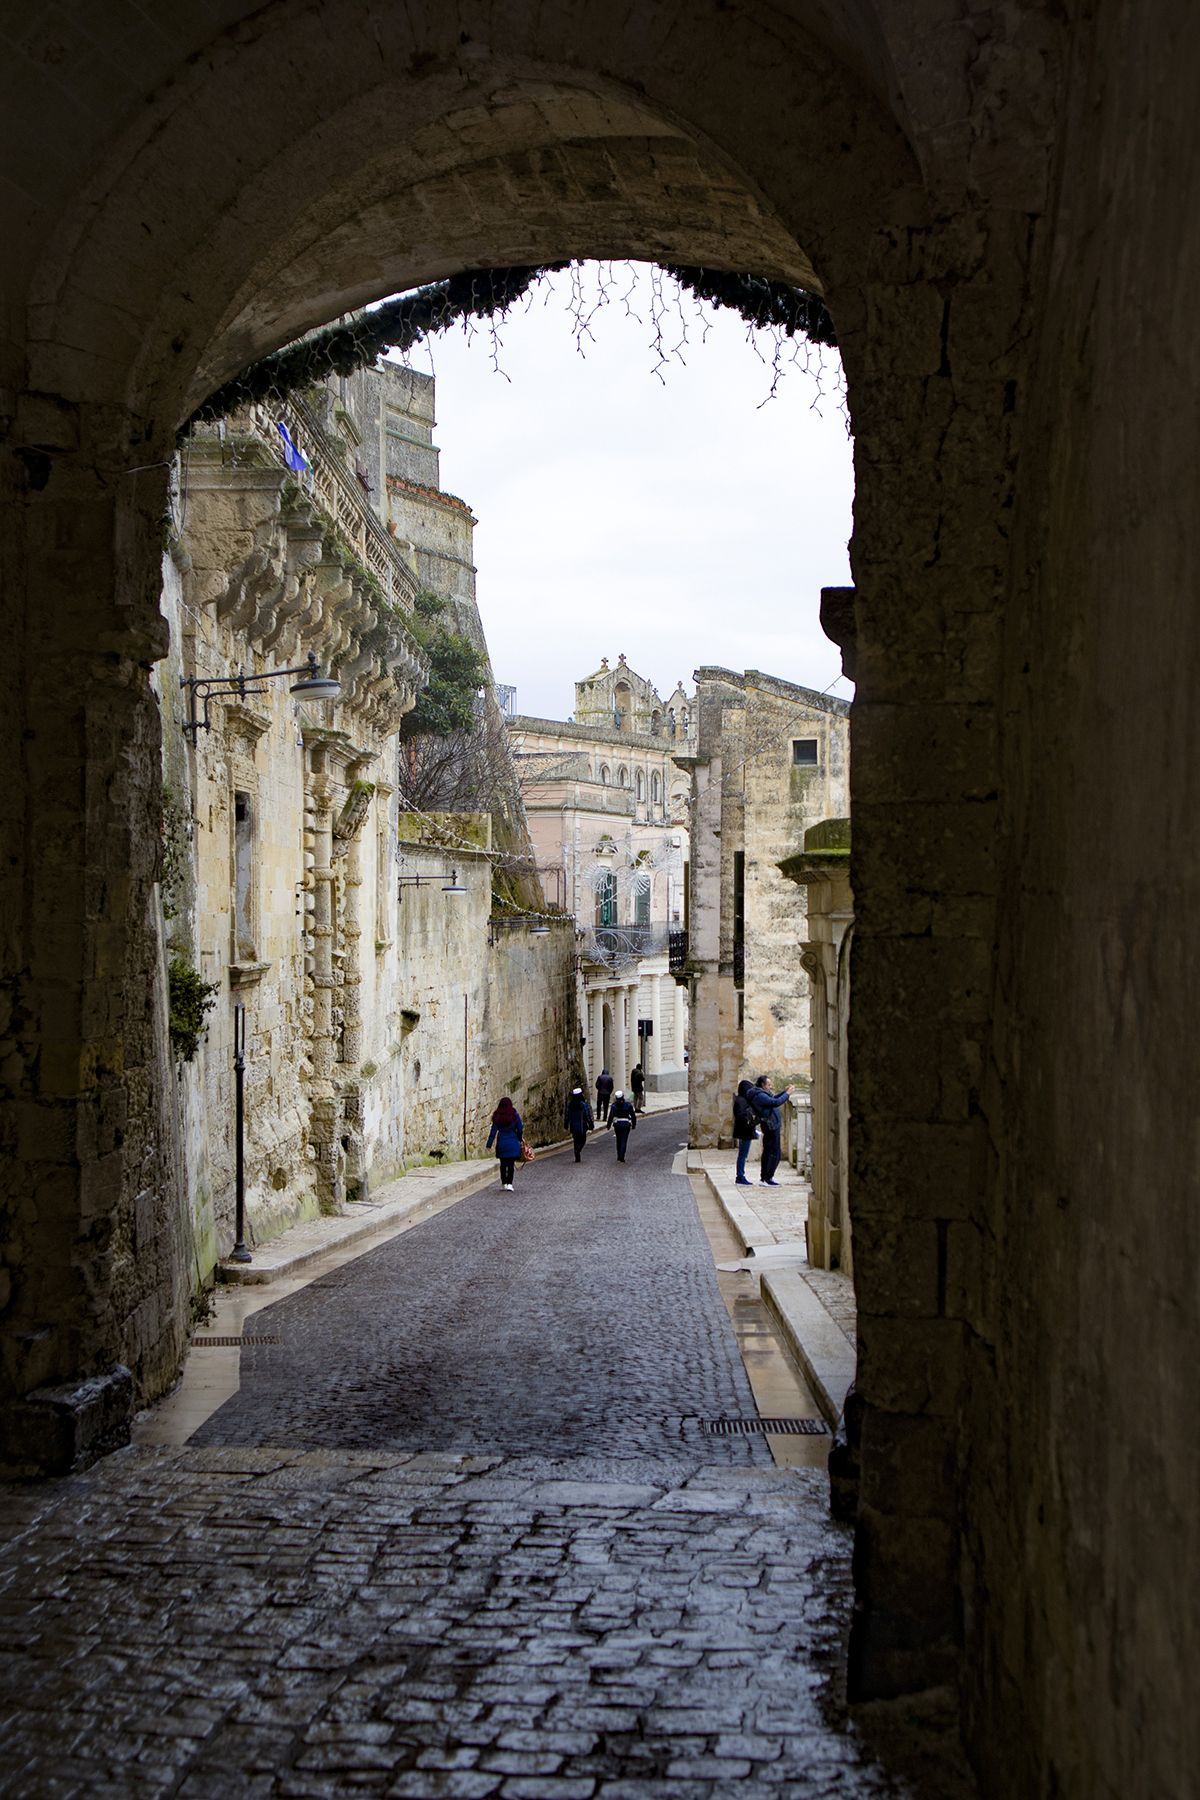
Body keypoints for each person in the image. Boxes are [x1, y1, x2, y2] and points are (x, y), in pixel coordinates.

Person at [750, 1075, 793, 1186]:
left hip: (772, 1125)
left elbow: (773, 1099)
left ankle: (765, 1177)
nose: (770, 1087)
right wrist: (787, 1094)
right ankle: (767, 1178)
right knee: (773, 1152)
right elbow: (776, 1102)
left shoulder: (762, 1094)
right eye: (768, 1085)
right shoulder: (760, 1096)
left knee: (769, 1151)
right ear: (763, 1085)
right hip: (771, 1126)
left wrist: (784, 1092)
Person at [486, 1095, 524, 1191]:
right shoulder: (515, 1115)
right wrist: (520, 1139)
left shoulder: (497, 1116)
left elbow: (493, 1131)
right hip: (513, 1142)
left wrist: (489, 1144)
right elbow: (520, 1128)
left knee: (503, 1164)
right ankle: (510, 1183)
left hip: (502, 1142)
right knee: (511, 1163)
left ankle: (504, 1183)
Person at [732, 1079, 759, 1184]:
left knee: (743, 1154)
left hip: (745, 1130)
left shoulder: (742, 1100)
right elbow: (741, 1116)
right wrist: (750, 1121)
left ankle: (740, 1175)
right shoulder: (741, 1101)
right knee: (743, 1154)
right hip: (744, 1131)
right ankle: (740, 1176)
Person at [564, 1086, 594, 1161]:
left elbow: (567, 1115)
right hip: (582, 1126)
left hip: (573, 1126)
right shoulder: (583, 1105)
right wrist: (590, 1124)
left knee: (576, 1140)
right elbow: (588, 1115)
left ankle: (576, 1152)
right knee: (583, 1140)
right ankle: (578, 1150)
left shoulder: (569, 1105)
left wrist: (566, 1124)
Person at [607, 1088, 637, 1161]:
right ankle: (622, 1155)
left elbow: (611, 1116)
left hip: (617, 1124)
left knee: (618, 1139)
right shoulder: (628, 1105)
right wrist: (634, 1124)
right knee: (624, 1139)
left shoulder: (614, 1106)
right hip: (626, 1124)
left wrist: (608, 1125)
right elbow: (633, 1115)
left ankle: (618, 1153)